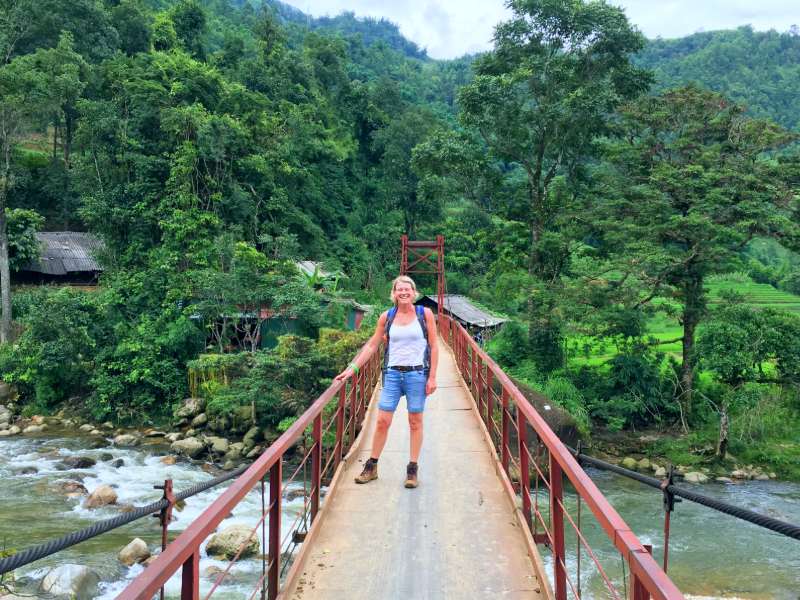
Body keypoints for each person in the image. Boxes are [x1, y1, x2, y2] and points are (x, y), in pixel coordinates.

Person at [334, 275, 438, 488]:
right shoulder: (387, 317)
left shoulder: (424, 314)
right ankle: (371, 466)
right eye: (399, 289)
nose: (403, 293)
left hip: (417, 374)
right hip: (392, 374)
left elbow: (435, 346)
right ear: (394, 293)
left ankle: (412, 469)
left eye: (407, 289)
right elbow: (372, 345)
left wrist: (433, 377)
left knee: (415, 421)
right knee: (382, 421)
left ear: (414, 292)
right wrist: (351, 369)